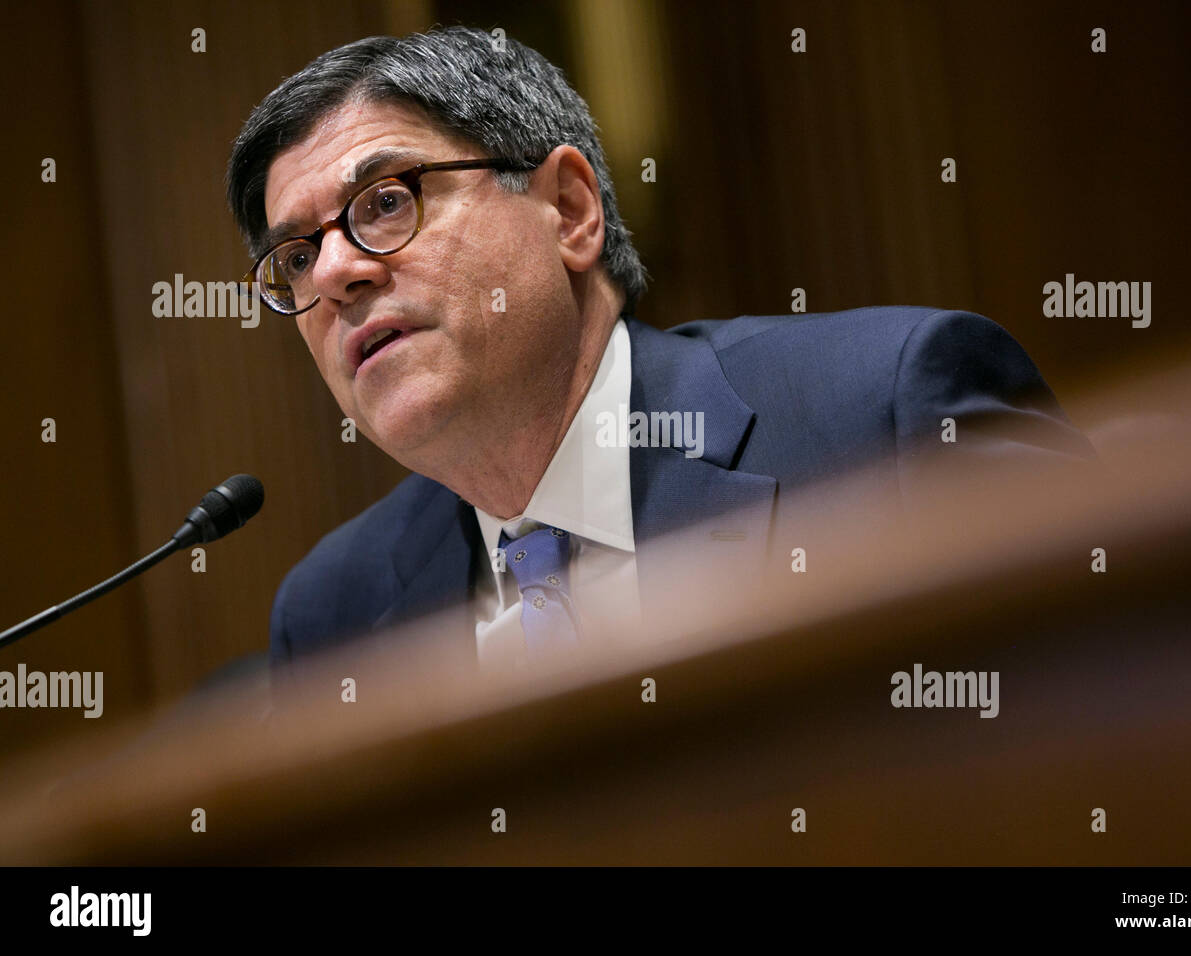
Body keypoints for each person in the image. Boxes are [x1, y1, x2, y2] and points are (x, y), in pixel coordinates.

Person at [226, 26, 1096, 679]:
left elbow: (1127, 746)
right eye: (295, 257)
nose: (335, 271)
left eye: (384, 202)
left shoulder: (888, 417)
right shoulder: (334, 613)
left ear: (568, 210)